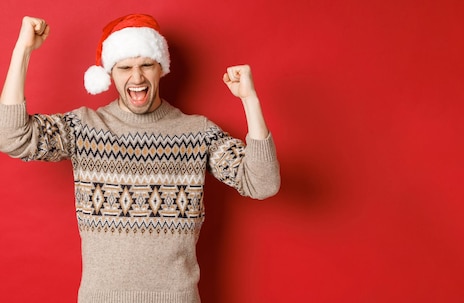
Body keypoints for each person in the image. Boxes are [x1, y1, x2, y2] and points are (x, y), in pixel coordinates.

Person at [0, 14, 280, 302]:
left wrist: (250, 100)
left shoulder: (197, 132)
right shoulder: (84, 128)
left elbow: (262, 183)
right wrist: (22, 50)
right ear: (110, 72)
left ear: (161, 67)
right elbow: (12, 137)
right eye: (125, 68)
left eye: (146, 65)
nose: (137, 78)